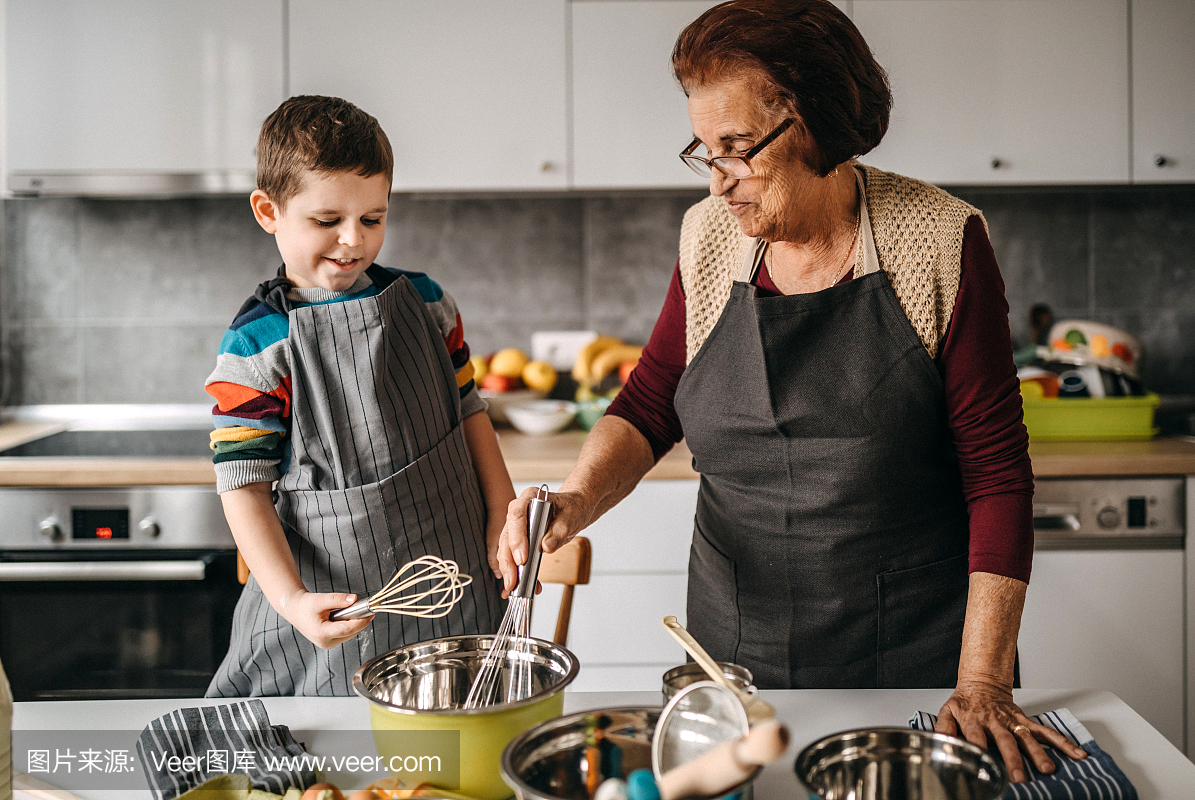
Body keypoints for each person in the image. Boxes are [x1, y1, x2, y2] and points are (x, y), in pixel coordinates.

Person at [498, 0, 1085, 783]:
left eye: (737, 149)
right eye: (704, 151)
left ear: (815, 125)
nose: (718, 181)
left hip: (913, 658)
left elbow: (997, 474)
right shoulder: (707, 236)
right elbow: (648, 403)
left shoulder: (940, 240)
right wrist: (573, 500)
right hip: (734, 655)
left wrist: (981, 681)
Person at [206, 96, 512, 696]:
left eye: (373, 219)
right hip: (331, 619)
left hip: (460, 600)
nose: (352, 241)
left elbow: (471, 413)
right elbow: (241, 483)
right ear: (269, 211)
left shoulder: (428, 305)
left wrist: (502, 512)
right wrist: (292, 600)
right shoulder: (257, 346)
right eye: (327, 221)